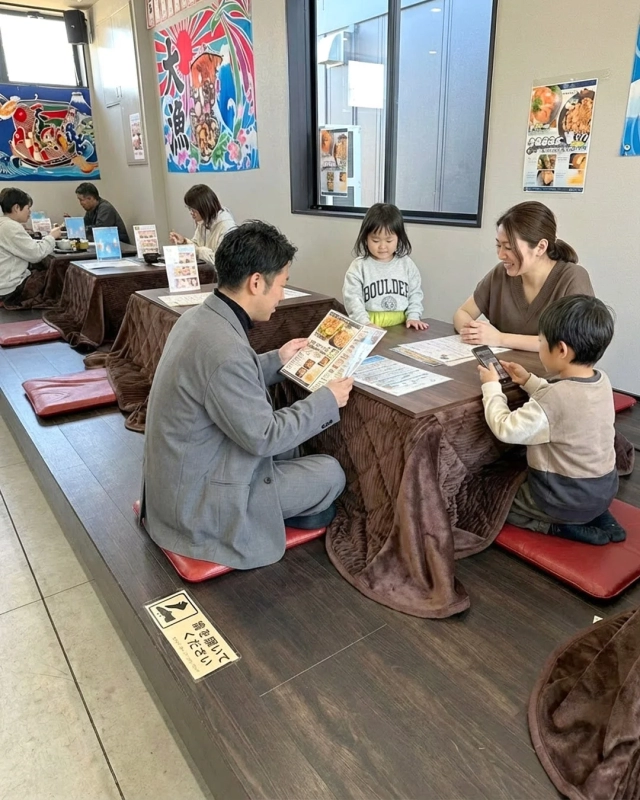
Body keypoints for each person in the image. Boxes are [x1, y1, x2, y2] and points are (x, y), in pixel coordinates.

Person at [141, 220, 353, 569]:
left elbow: (219, 378)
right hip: (198, 506)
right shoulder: (224, 349)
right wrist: (327, 399)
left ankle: (286, 505)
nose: (282, 296)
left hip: (178, 482)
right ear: (256, 282)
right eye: (281, 285)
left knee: (294, 449)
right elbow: (264, 437)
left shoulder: (198, 318)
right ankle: (268, 515)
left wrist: (277, 359)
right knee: (330, 473)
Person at [478, 295, 624, 545]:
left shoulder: (554, 399)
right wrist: (528, 381)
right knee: (586, 501)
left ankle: (560, 528)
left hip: (562, 499)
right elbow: (567, 407)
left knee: (493, 502)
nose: (539, 347)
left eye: (541, 342)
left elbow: (505, 428)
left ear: (562, 350)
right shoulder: (601, 380)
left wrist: (491, 388)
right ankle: (599, 516)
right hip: (604, 490)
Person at [454, 201, 593, 352]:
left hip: (550, 374)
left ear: (540, 247)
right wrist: (474, 333)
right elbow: (463, 313)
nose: (501, 255)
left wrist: (499, 338)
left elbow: (570, 343)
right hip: (504, 369)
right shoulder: (501, 273)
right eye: (498, 245)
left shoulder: (572, 278)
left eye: (509, 247)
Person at [342, 203, 428, 329]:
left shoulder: (406, 264)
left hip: (402, 325)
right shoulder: (359, 266)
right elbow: (352, 299)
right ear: (366, 238)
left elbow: (415, 293)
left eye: (389, 241)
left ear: (399, 238)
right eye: (375, 241)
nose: (382, 246)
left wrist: (414, 316)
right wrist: (365, 323)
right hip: (369, 324)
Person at [0, 188, 62, 303]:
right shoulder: (11, 227)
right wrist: (52, 236)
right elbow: (36, 254)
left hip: (3, 282)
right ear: (16, 208)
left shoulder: (4, 224)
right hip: (9, 289)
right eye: (28, 208)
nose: (30, 212)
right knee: (56, 277)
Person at [169, 184, 235, 266]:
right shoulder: (204, 221)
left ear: (204, 207)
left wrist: (199, 251)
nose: (191, 213)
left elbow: (221, 261)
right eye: (189, 209)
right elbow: (197, 245)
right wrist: (184, 242)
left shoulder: (226, 226)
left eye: (193, 209)